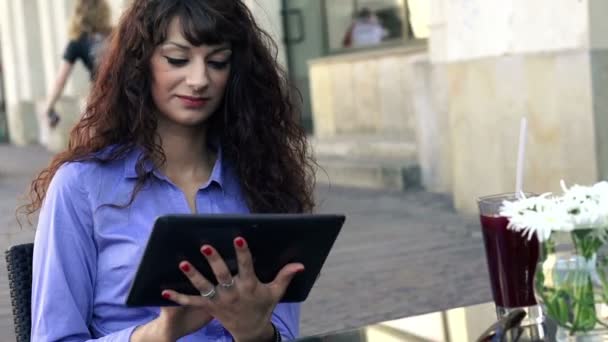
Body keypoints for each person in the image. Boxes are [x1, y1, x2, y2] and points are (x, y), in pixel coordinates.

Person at [24, 0, 316, 340]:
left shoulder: (263, 180)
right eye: (177, 59)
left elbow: (283, 331)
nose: (199, 79)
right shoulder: (81, 185)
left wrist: (256, 332)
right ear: (140, 63)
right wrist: (156, 334)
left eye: (217, 62)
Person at [43, 0, 112, 128]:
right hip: (127, 94)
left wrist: (48, 108)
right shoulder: (117, 34)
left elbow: (60, 80)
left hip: (100, 98)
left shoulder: (78, 41)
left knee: (90, 139)